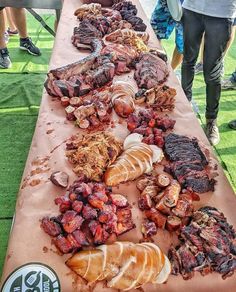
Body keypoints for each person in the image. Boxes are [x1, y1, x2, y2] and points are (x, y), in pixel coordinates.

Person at [181, 0, 236, 146]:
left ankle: (211, 121)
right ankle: (184, 105)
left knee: (212, 73)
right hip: (192, 8)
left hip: (221, 14)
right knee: (188, 61)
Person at [151, 0, 184, 70]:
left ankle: (170, 71)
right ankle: (153, 64)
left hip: (189, 6)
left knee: (182, 45)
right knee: (155, 32)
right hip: (166, 2)